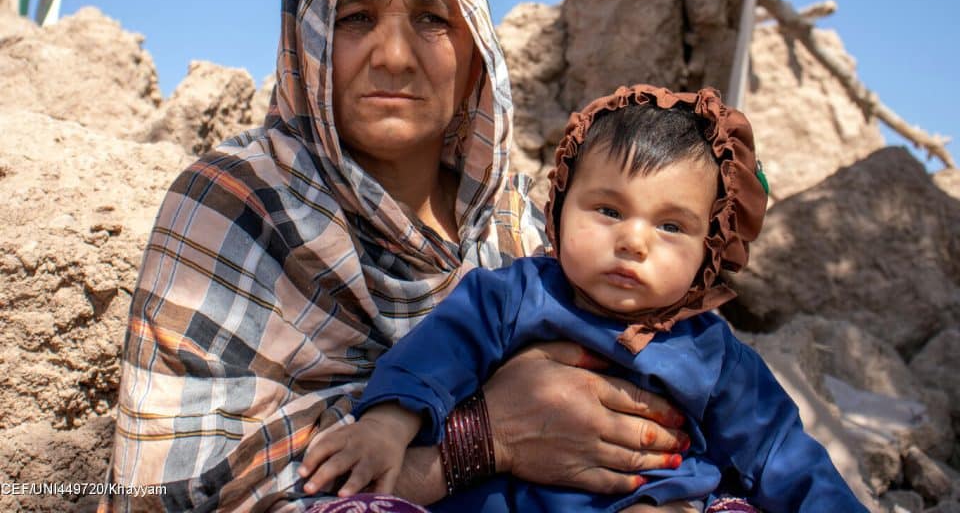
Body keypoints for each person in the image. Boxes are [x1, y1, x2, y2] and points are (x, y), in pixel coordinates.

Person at [100, 0, 701, 513]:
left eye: (432, 20)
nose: (393, 55)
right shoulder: (237, 205)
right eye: (356, 18)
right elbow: (171, 491)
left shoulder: (528, 227)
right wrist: (482, 438)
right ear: (309, 46)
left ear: (476, 60)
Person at [297, 84, 870, 513]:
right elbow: (436, 355)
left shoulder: (714, 354)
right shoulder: (515, 294)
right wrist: (385, 428)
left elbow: (781, 453)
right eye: (609, 210)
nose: (633, 241)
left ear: (709, 249)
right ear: (560, 208)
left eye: (672, 226)